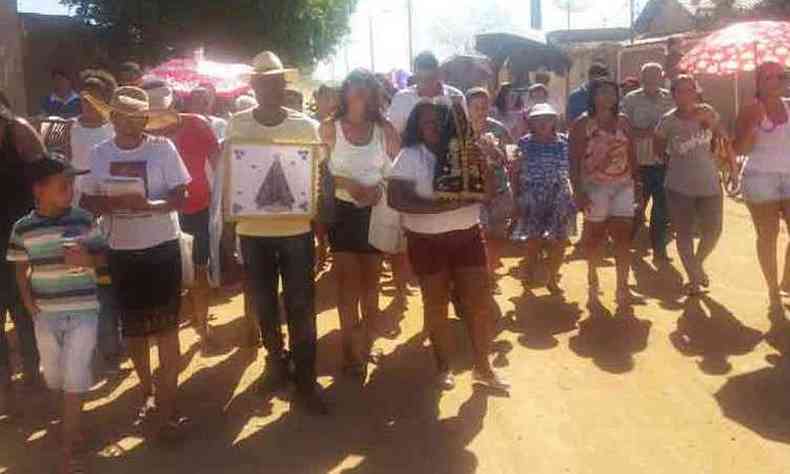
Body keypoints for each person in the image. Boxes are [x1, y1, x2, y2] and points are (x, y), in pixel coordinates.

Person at [80, 86, 191, 439]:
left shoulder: (163, 149)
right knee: (135, 330)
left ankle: (169, 406)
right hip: (121, 251)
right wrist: (109, 205)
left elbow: (180, 195)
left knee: (166, 328)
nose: (132, 122)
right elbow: (87, 200)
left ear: (146, 117)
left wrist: (150, 207)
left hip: (161, 247)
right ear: (112, 117)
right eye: (125, 116)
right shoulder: (99, 153)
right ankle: (147, 391)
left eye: (139, 116)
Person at [224, 51, 327, 414]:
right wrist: (227, 234)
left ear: (285, 85)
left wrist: (321, 234)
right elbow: (229, 180)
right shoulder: (236, 124)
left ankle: (306, 378)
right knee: (265, 304)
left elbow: (315, 183)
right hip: (252, 232)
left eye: (276, 81)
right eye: (263, 81)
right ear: (253, 85)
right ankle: (276, 361)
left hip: (297, 231)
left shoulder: (305, 127)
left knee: (301, 305)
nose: (270, 87)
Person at [387, 100, 509, 391]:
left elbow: (489, 192)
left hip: (467, 236)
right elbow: (396, 200)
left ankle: (483, 367)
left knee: (478, 305)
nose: (433, 128)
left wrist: (484, 163)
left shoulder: (466, 153)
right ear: (417, 126)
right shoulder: (409, 156)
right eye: (426, 123)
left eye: (439, 122)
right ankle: (444, 365)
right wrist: (444, 205)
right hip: (427, 242)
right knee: (436, 304)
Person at [8, 154, 99, 473]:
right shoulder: (23, 228)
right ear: (39, 190)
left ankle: (68, 450)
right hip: (46, 315)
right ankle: (70, 422)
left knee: (74, 375)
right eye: (63, 184)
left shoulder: (84, 220)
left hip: (84, 311)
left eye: (72, 183)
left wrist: (90, 261)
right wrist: (31, 307)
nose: (71, 189)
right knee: (55, 376)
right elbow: (21, 271)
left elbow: (105, 262)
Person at [320, 68, 400, 380]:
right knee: (346, 286)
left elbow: (395, 171)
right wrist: (347, 183)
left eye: (365, 88)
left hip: (376, 212)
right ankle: (349, 349)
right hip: (342, 213)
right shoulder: (329, 128)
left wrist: (379, 189)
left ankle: (367, 344)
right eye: (353, 87)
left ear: (373, 93)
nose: (359, 93)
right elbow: (320, 172)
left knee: (371, 284)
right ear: (345, 91)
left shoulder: (385, 129)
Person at [146, 81, 221, 354]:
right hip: (159, 214)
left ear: (173, 103)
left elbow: (217, 160)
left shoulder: (196, 124)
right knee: (168, 276)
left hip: (197, 209)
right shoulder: (142, 132)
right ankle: (169, 335)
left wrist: (220, 201)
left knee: (199, 270)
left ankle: (202, 327)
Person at [654, 76, 733, 295]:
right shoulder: (667, 120)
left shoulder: (708, 112)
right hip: (679, 185)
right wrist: (676, 163)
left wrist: (716, 133)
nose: (685, 95)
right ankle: (694, 278)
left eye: (690, 90)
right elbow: (658, 149)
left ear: (696, 92)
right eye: (680, 91)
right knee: (684, 232)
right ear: (673, 94)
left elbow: (723, 136)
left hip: (710, 183)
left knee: (714, 231)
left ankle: (696, 264)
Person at [70, 69, 122, 375]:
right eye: (83, 98)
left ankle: (113, 345)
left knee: (107, 279)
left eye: (93, 99)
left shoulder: (114, 131)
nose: (86, 104)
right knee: (84, 279)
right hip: (79, 214)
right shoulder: (71, 128)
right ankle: (93, 344)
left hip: (109, 211)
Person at [570, 79, 638, 306]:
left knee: (623, 238)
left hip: (623, 184)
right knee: (595, 237)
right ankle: (593, 278)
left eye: (612, 92)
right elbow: (574, 160)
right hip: (594, 186)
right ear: (593, 96)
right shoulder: (582, 124)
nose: (608, 97)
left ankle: (622, 286)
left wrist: (637, 184)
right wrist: (578, 192)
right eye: (602, 92)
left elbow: (632, 153)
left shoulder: (624, 122)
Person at [0, 100, 45, 413]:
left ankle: (32, 376)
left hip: (19, 237)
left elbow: (46, 178)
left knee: (24, 309)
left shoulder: (18, 131)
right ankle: (4, 385)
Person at [734, 61, 790, 313]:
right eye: (768, 77)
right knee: (768, 237)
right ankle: (772, 292)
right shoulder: (749, 110)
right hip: (760, 179)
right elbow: (740, 150)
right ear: (758, 82)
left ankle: (787, 280)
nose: (775, 81)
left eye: (779, 76)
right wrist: (753, 126)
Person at [512, 104, 575, 294]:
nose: (543, 123)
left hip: (560, 197)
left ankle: (552, 277)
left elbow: (575, 170)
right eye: (538, 119)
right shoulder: (524, 143)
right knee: (533, 241)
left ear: (554, 121)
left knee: (560, 241)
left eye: (547, 119)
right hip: (532, 197)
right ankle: (527, 276)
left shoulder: (565, 142)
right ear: (531, 122)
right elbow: (514, 172)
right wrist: (515, 197)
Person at [622, 63, 675, 264]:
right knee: (636, 208)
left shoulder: (670, 98)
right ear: (642, 78)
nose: (652, 80)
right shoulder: (630, 99)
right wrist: (648, 132)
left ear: (661, 77)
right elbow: (624, 128)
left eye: (656, 76)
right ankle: (626, 246)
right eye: (648, 76)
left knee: (662, 208)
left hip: (664, 162)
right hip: (639, 163)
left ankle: (659, 249)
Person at [466, 87, 514, 294]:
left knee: (496, 237)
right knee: (479, 236)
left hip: (500, 191)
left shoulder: (499, 129)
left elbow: (513, 158)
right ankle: (480, 278)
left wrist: (494, 152)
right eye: (476, 107)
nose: (481, 111)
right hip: (473, 195)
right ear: (467, 108)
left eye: (484, 106)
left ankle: (491, 274)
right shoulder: (459, 130)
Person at [388, 51, 466, 134]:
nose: (425, 84)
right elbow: (395, 134)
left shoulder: (456, 96)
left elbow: (464, 129)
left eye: (430, 78)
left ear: (439, 73)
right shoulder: (402, 99)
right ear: (414, 76)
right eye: (420, 79)